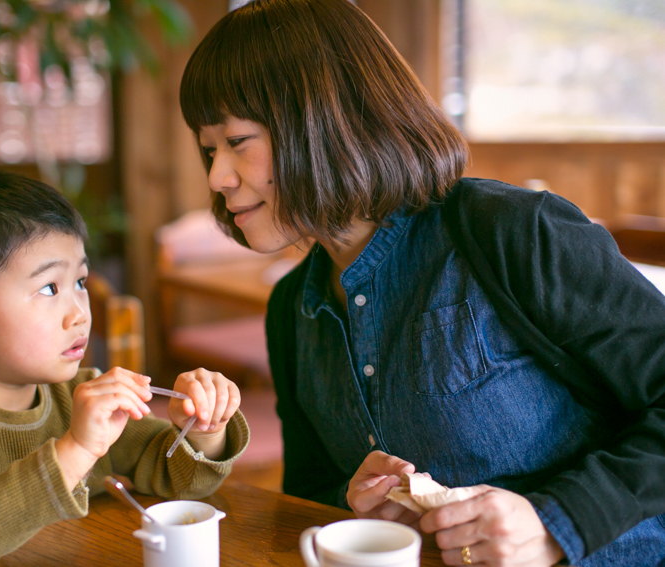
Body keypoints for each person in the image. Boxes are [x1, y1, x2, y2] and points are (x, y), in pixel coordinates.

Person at [178, 1, 665, 566]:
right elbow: (308, 495)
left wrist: (556, 523)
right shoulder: (293, 308)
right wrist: (353, 506)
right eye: (209, 149)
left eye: (238, 141)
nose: (217, 176)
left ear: (328, 119)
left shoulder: (511, 232)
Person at [0, 170, 249, 567]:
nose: (80, 313)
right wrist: (75, 450)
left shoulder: (80, 395)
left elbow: (181, 481)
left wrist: (203, 430)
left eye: (80, 281)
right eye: (48, 288)